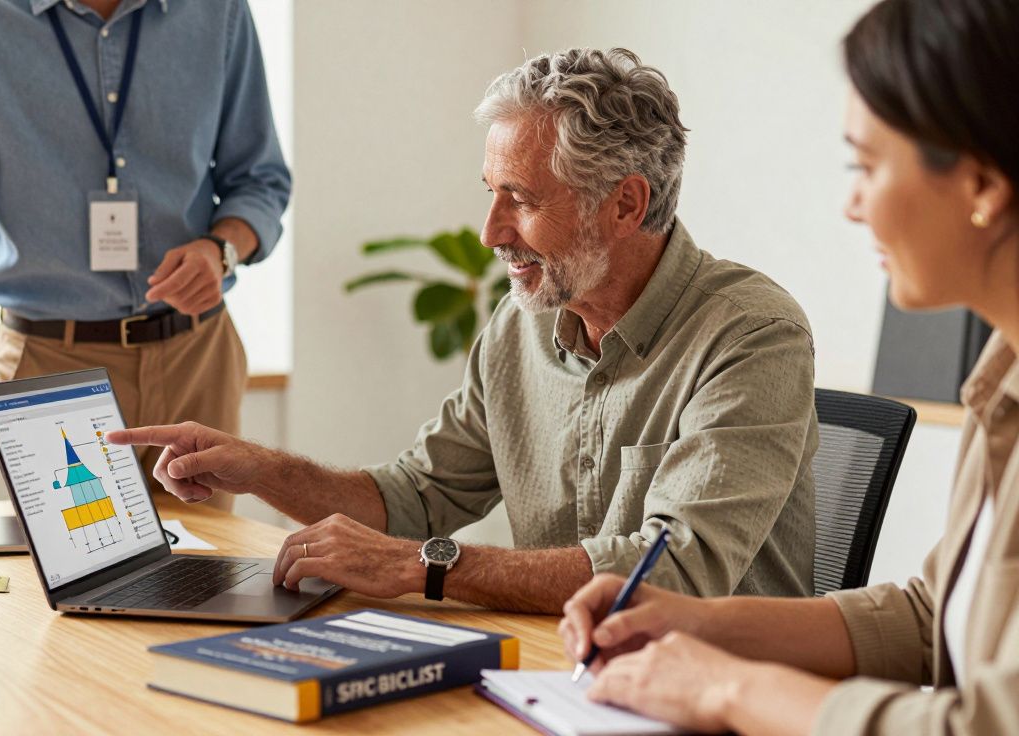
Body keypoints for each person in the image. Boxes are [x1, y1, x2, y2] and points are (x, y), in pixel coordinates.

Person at [108, 48, 819, 614]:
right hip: (560, 677)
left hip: (719, 695)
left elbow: (679, 569)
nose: (490, 234)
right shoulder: (521, 329)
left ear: (625, 204)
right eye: (491, 195)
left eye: (522, 200)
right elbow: (416, 501)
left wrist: (428, 568)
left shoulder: (752, 335)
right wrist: (262, 469)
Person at [556, 0, 1019, 733]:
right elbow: (935, 618)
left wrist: (729, 689)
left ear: (983, 186)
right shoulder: (1004, 374)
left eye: (865, 165)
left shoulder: (751, 325)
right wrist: (694, 624)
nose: (851, 204)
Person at [0, 0, 290, 521]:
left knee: (203, 577)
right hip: (52, 367)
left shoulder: (218, 10)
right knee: (83, 579)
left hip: (198, 357)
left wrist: (220, 249)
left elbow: (261, 180)